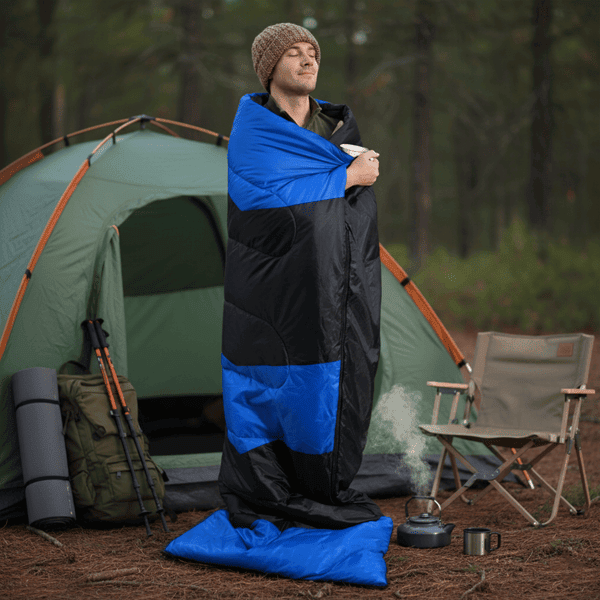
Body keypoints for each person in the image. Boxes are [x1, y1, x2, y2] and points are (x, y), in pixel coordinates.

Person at [218, 22, 383, 531]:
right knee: (276, 386)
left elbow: (345, 212)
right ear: (270, 68)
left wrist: (354, 175)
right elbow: (265, 200)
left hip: (332, 287)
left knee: (337, 381)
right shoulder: (255, 132)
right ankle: (274, 486)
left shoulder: (333, 129)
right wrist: (346, 177)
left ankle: (324, 483)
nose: (308, 59)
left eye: (312, 51)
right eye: (293, 52)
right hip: (274, 291)